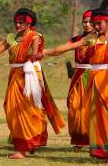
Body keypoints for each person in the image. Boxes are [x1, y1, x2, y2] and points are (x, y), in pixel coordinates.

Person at [0, 8, 65, 159]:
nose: (18, 24)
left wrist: (36, 54)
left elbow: (35, 52)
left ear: (29, 23)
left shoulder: (35, 36)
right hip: (14, 75)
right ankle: (30, 142)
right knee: (11, 108)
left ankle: (25, 147)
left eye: (21, 22)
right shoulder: (11, 38)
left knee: (28, 109)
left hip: (29, 75)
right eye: (16, 22)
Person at [44, 8, 108, 159]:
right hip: (94, 79)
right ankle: (101, 151)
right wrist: (45, 52)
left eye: (99, 23)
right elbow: (67, 47)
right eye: (94, 23)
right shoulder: (90, 38)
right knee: (97, 116)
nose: (95, 26)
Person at [45, 10, 93, 150]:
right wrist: (47, 53)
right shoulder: (77, 39)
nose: (87, 24)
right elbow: (63, 49)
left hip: (93, 74)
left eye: (90, 21)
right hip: (78, 75)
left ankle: (95, 139)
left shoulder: (100, 39)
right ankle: (80, 140)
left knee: (90, 108)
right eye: (85, 21)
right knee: (74, 106)